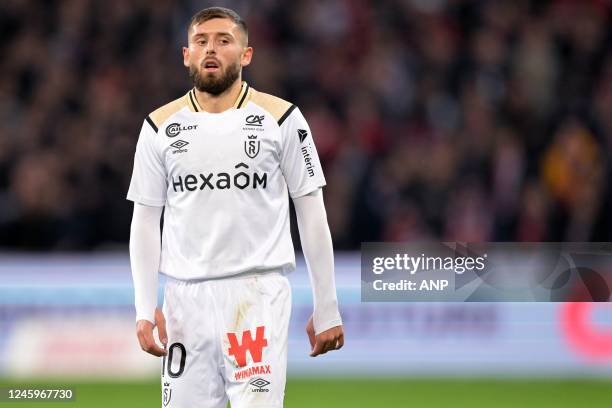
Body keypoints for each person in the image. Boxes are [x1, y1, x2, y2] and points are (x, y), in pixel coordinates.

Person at [126, 7, 344, 408]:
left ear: (246, 55)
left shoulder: (282, 119)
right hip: (184, 301)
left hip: (256, 295)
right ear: (186, 55)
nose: (212, 49)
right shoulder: (158, 127)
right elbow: (144, 220)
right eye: (201, 41)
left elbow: (312, 213)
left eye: (224, 41)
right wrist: (144, 306)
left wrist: (327, 306)